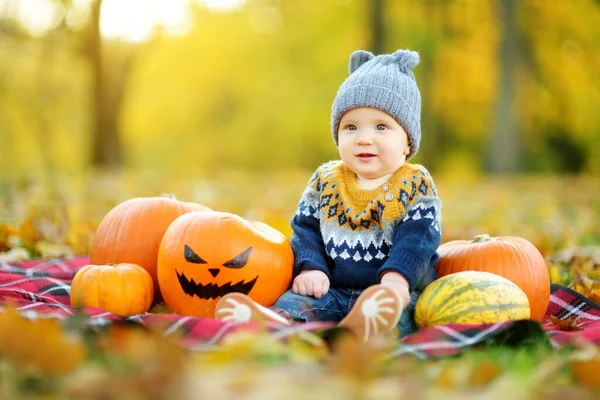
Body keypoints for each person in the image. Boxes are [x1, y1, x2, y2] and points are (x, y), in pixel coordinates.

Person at [215, 49, 442, 341]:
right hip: (331, 290)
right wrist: (311, 267)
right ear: (338, 135)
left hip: (393, 292)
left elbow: (418, 238)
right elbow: (306, 228)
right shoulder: (326, 180)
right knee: (295, 303)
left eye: (381, 127)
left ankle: (364, 332)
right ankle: (273, 324)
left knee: (402, 313)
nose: (363, 137)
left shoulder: (415, 183)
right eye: (351, 127)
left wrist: (397, 279)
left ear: (407, 143)